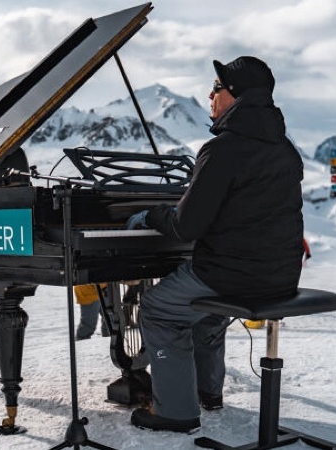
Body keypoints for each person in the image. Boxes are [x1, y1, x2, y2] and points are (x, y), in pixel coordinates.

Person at [123, 56, 303, 433]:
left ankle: (175, 411)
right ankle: (208, 392)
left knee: (158, 308)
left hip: (234, 275)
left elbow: (187, 226)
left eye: (217, 87)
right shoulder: (285, 149)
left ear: (235, 96)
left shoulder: (223, 149)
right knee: (205, 307)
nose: (210, 94)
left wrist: (152, 216)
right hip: (280, 276)